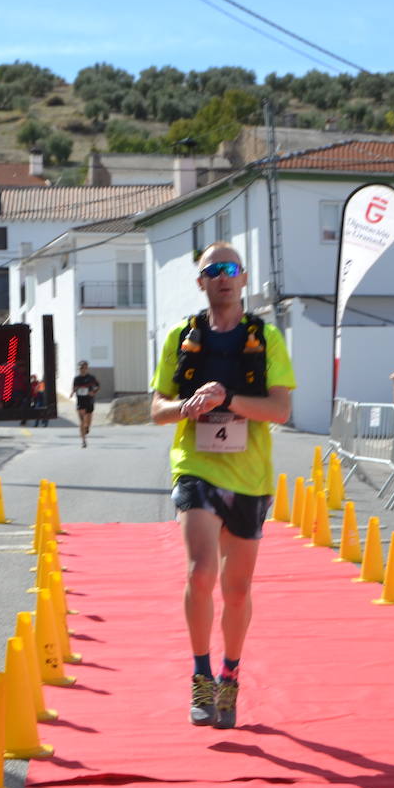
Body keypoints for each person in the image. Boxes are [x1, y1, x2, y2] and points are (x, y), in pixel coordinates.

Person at [149, 242, 294, 729]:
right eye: (213, 271)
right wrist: (189, 407)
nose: (222, 278)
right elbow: (157, 411)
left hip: (250, 473)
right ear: (201, 282)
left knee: (236, 590)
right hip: (196, 465)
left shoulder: (266, 337)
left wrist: (229, 397)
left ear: (244, 278)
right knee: (201, 572)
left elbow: (279, 411)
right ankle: (201, 676)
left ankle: (231, 675)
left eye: (230, 269)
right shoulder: (180, 337)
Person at [72, 360, 100, 448]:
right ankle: (83, 441)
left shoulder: (91, 378)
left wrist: (93, 392)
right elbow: (74, 388)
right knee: (81, 421)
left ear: (87, 368)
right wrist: (73, 391)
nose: (82, 369)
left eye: (83, 368)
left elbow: (98, 386)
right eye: (80, 368)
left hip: (89, 401)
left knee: (88, 420)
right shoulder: (76, 379)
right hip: (80, 401)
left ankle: (87, 427)